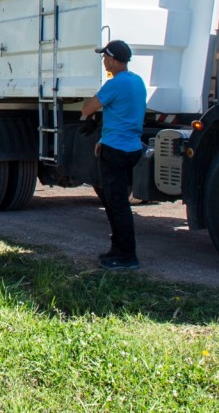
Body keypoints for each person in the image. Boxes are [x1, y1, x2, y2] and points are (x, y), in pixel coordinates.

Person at [80, 39, 147, 270]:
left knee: (116, 204)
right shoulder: (137, 81)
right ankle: (117, 250)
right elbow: (123, 115)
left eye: (105, 57)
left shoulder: (115, 83)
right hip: (130, 148)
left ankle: (127, 256)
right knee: (115, 202)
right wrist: (103, 138)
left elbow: (87, 109)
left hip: (115, 151)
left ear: (114, 60)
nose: (104, 61)